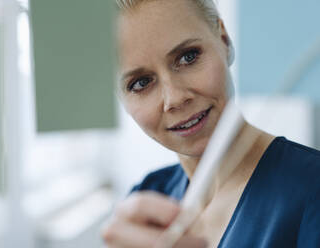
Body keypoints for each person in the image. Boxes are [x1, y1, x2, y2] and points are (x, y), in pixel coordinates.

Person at [101, 0, 320, 247]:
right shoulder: (149, 197)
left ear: (224, 41)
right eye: (140, 83)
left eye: (188, 57)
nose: (175, 98)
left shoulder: (312, 189)